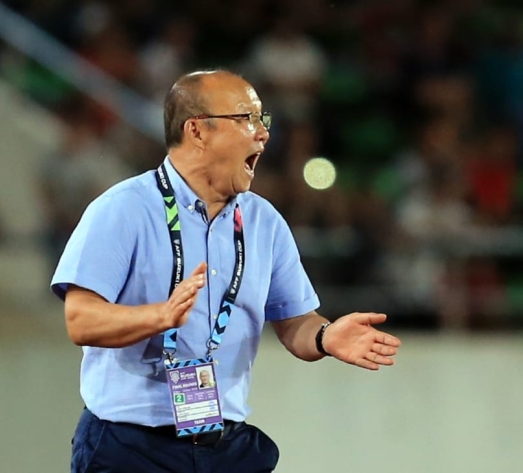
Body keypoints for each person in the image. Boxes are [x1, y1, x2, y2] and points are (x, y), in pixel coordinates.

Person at [50, 69, 402, 473]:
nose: (263, 133)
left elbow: (295, 324)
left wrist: (325, 336)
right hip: (130, 447)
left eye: (262, 119)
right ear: (197, 130)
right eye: (246, 119)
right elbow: (81, 320)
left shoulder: (264, 222)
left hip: (224, 447)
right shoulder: (123, 209)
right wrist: (159, 317)